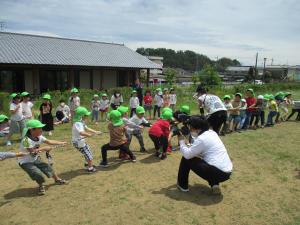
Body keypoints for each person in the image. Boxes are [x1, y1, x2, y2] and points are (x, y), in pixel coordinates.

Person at [177, 116, 233, 194]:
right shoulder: (212, 133)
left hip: (217, 172)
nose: (190, 130)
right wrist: (188, 145)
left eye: (191, 128)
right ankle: (214, 185)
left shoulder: (201, 139)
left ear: (197, 128)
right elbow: (200, 150)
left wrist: (181, 141)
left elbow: (187, 155)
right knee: (210, 161)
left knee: (186, 159)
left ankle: (182, 186)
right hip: (227, 172)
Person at [18, 119, 67, 195]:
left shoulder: (39, 136)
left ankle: (57, 179)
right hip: (25, 162)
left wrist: (61, 143)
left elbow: (49, 142)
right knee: (37, 174)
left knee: (47, 167)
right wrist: (44, 148)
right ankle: (41, 186)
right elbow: (32, 152)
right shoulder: (26, 140)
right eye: (39, 128)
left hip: (35, 158)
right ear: (32, 130)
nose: (41, 129)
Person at [72, 107, 101, 173]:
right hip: (78, 142)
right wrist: (89, 135)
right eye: (86, 115)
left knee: (88, 152)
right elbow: (81, 132)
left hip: (81, 142)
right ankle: (90, 168)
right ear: (82, 116)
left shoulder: (81, 122)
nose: (87, 116)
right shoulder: (78, 123)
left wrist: (95, 132)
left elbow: (86, 128)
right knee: (88, 154)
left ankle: (88, 164)